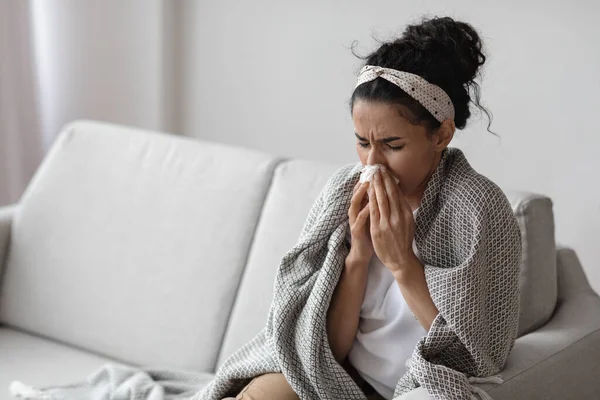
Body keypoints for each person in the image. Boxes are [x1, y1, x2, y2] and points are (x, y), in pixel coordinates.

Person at [220, 15, 521, 400]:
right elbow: (328, 350)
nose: (373, 163)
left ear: (441, 134)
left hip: (422, 385)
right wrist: (358, 257)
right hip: (341, 379)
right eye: (363, 142)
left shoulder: (478, 208)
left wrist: (402, 265)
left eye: (393, 145)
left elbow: (472, 357)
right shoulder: (344, 191)